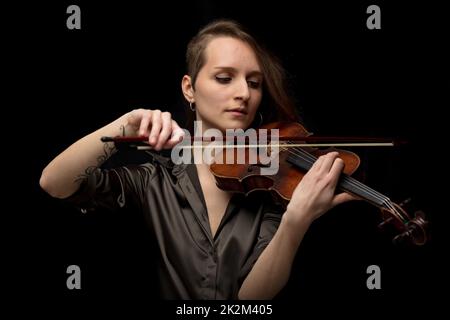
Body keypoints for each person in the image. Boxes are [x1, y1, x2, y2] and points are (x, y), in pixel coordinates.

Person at [39, 19, 354, 299]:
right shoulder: (154, 180)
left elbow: (249, 300)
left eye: (254, 82)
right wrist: (128, 122)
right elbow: (55, 182)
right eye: (224, 78)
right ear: (189, 89)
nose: (244, 92)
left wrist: (295, 220)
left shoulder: (271, 186)